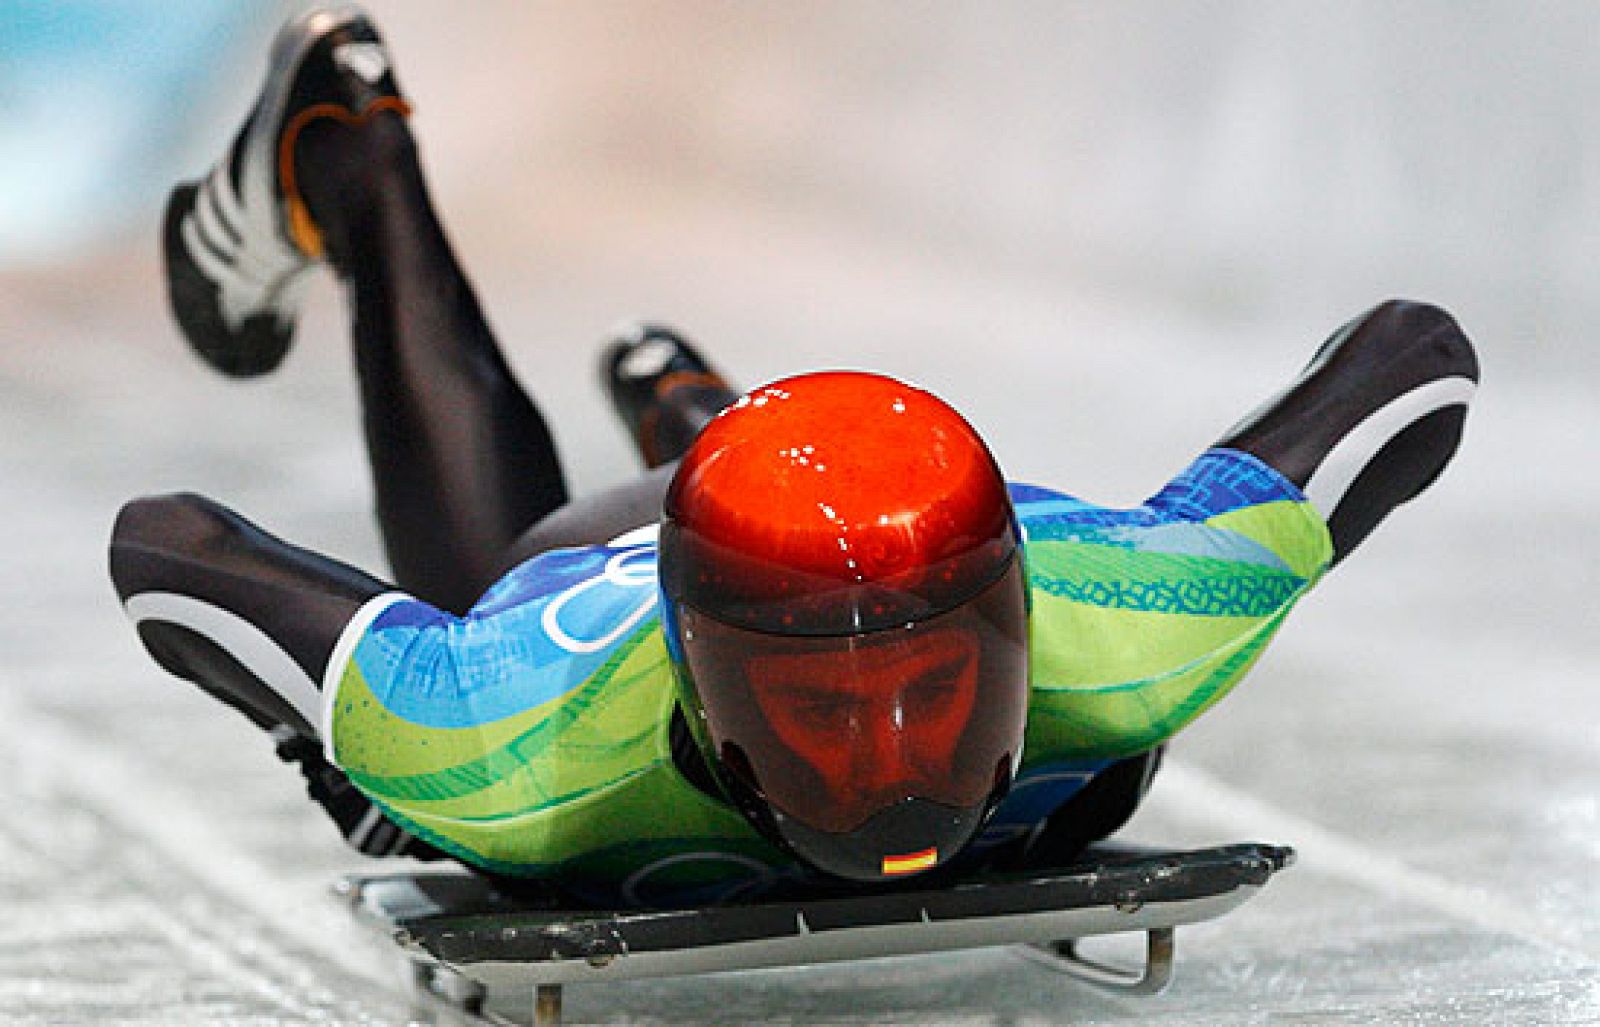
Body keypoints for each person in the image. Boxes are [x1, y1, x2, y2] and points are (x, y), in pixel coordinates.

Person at [111, 7, 1479, 907]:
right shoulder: (509, 732)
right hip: (588, 575)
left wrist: (358, 755)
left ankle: (698, 410)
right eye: (822, 714)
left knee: (805, 554)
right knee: (481, 584)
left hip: (750, 567)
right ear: (701, 692)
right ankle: (349, 148)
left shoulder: (1141, 613)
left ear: (1022, 624)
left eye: (938, 686)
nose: (891, 763)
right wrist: (375, 764)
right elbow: (166, 545)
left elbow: (1416, 355)